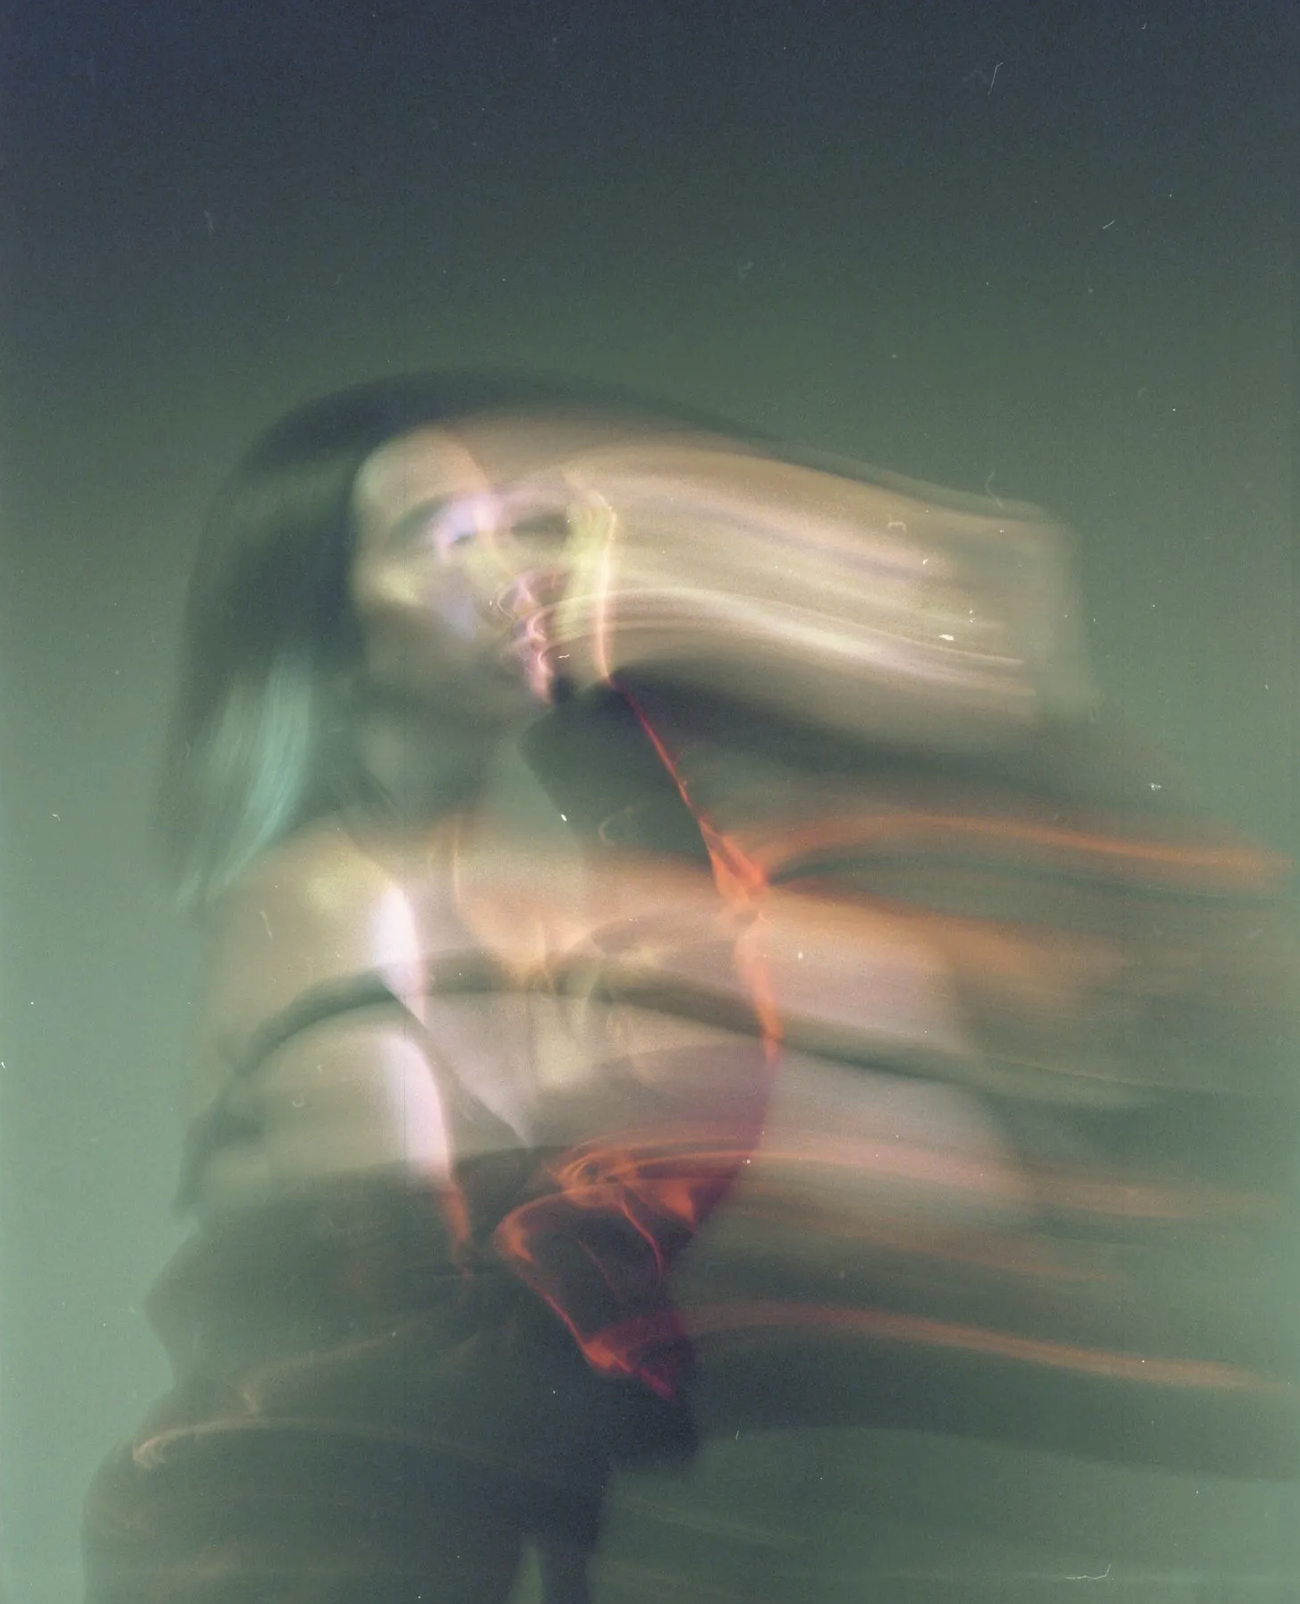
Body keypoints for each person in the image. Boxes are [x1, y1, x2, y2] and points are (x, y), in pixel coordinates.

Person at [84, 372, 1300, 1604]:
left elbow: (996, 1046)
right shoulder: (337, 901)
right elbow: (433, 1326)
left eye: (523, 527)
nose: (517, 569)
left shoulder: (586, 904)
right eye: (441, 536)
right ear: (326, 624)